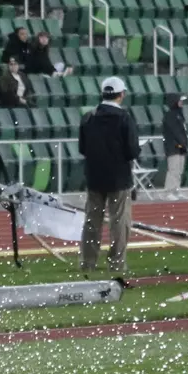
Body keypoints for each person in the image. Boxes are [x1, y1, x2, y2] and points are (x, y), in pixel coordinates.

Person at [77, 76, 139, 275]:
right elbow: (132, 151)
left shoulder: (88, 117)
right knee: (119, 221)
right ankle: (116, 262)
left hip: (94, 176)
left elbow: (82, 148)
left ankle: (88, 261)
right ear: (121, 95)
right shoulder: (124, 118)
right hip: (119, 177)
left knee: (92, 220)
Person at [162, 92, 188, 198]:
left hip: (181, 147)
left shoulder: (180, 115)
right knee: (173, 168)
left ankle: (176, 189)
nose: (181, 102)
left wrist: (184, 145)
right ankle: (168, 191)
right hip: (173, 147)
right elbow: (175, 132)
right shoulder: (170, 116)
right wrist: (182, 143)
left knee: (179, 170)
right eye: (179, 100)